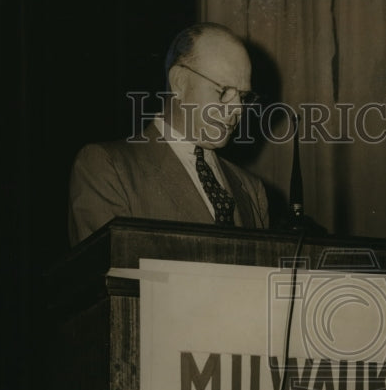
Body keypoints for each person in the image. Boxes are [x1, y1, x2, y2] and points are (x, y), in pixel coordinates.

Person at [68, 23, 270, 246]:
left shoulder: (251, 190)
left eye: (243, 96)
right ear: (179, 82)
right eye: (224, 92)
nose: (238, 109)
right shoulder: (108, 168)